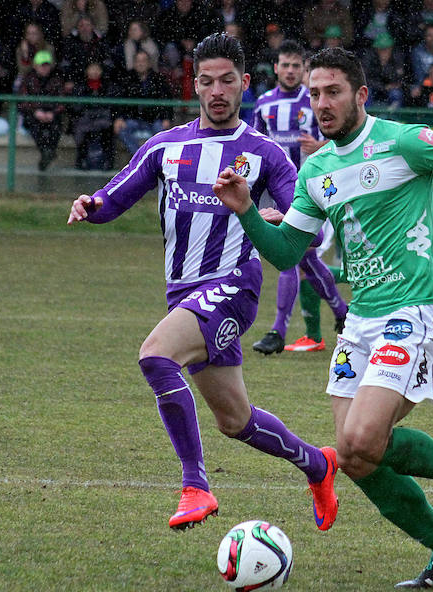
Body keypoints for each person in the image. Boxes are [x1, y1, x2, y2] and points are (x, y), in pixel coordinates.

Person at [213, 45, 433, 590]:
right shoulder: (316, 169)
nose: (321, 103)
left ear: (360, 94)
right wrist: (244, 211)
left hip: (414, 310)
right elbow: (288, 251)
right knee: (358, 459)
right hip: (359, 321)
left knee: (359, 439)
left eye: (333, 91)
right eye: (314, 93)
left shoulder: (404, 142)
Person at [66, 33, 339, 533]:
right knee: (236, 421)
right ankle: (319, 466)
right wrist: (91, 205)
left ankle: (196, 487)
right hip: (184, 294)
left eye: (228, 81)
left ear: (245, 85)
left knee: (155, 355)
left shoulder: (264, 154)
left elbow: (310, 223)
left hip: (233, 286)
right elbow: (115, 198)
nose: (217, 91)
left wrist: (274, 219)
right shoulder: (167, 145)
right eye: (208, 81)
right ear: (195, 85)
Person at [251, 39, 349, 354]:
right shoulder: (264, 104)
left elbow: (346, 141)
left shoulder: (317, 101)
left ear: (304, 69)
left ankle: (278, 331)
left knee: (292, 254)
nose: (291, 71)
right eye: (286, 65)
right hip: (274, 191)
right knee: (303, 257)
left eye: (297, 65)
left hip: (310, 190)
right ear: (276, 68)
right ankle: (342, 313)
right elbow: (253, 147)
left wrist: (321, 147)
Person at [112, 49, 173, 154]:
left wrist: (166, 118)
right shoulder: (126, 79)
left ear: (149, 63)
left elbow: (166, 100)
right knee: (121, 130)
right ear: (134, 63)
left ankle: (152, 159)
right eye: (138, 61)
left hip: (153, 119)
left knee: (161, 132)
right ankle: (139, 156)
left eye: (143, 61)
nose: (140, 63)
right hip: (133, 119)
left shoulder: (158, 79)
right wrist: (119, 117)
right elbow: (119, 100)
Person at [18, 49, 65, 171]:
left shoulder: (56, 79)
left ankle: (48, 153)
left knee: (55, 128)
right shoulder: (28, 79)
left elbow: (63, 101)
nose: (44, 68)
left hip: (52, 114)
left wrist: (52, 113)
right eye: (41, 65)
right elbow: (22, 100)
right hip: (33, 114)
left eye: (46, 65)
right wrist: (35, 111)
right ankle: (47, 153)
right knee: (35, 126)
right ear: (35, 65)